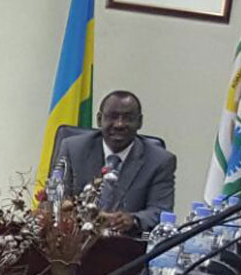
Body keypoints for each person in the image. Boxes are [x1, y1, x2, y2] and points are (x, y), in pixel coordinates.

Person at [56, 90, 175, 233]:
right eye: (112, 117)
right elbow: (57, 199)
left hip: (127, 247)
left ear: (140, 122)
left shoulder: (160, 160)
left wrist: (133, 219)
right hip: (75, 240)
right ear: (99, 119)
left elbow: (160, 211)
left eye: (128, 118)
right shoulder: (73, 149)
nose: (119, 124)